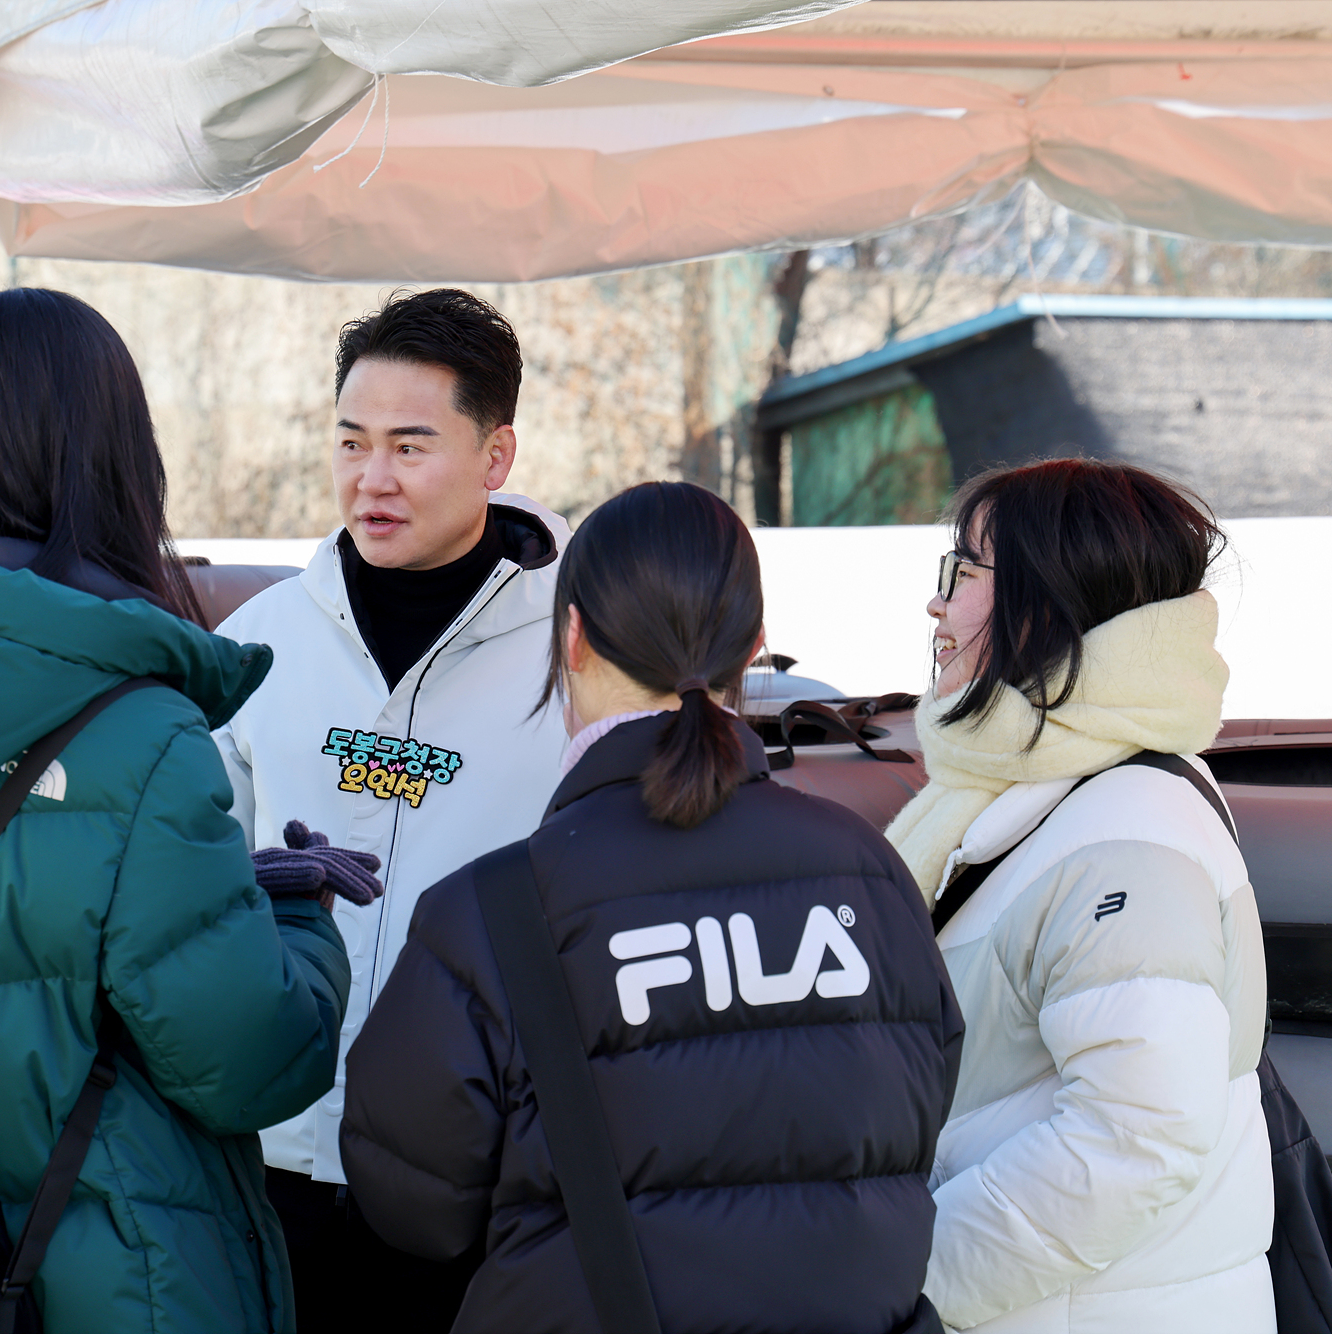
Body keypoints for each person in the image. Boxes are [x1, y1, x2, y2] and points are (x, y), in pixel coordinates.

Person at [0, 288, 351, 1333]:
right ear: (111, 455)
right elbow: (248, 1059)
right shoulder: (137, 729)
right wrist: (303, 913)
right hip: (120, 1278)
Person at [340, 481, 961, 1334]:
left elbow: (411, 1198)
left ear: (574, 636)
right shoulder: (871, 871)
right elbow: (920, 1116)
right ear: (756, 646)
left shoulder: (497, 912)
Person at [212, 288, 572, 1331]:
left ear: (493, 457)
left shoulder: (577, 651)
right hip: (271, 1155)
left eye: (410, 446)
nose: (371, 479)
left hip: (481, 1174)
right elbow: (188, 879)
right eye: (350, 441)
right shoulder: (257, 644)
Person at [886, 459, 1272, 1332]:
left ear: (1040, 602)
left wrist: (905, 1277)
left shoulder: (1130, 831)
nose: (937, 606)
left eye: (964, 573)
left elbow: (1136, 1137)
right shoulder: (1038, 793)